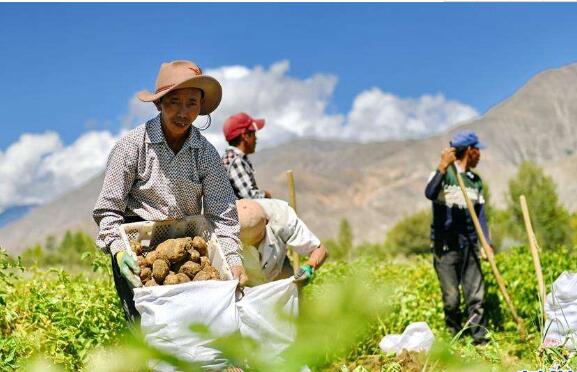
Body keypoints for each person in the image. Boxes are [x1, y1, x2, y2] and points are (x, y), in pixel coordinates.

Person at [93, 60, 248, 322]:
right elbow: (109, 209)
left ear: (200, 107)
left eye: (192, 103)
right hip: (137, 247)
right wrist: (120, 251)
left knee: (194, 328)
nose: (183, 112)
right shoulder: (132, 146)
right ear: (159, 103)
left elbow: (222, 214)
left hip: (186, 248)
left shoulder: (206, 154)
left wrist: (232, 259)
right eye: (174, 101)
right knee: (146, 330)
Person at [424, 130, 490, 345]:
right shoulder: (445, 175)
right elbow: (430, 193)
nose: (480, 154)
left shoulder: (475, 181)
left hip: (470, 244)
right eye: (477, 150)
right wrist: (442, 166)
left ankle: (479, 340)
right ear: (469, 151)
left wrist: (486, 243)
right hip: (446, 247)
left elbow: (480, 215)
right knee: (452, 299)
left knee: (476, 296)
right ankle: (455, 340)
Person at [236, 198, 328, 285]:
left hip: (278, 271)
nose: (252, 244)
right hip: (246, 283)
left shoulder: (282, 218)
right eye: (247, 242)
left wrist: (310, 266)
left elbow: (319, 249)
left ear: (266, 222)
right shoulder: (224, 228)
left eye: (256, 239)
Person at [221, 112, 271, 199]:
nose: (256, 138)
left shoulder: (234, 157)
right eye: (254, 134)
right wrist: (266, 195)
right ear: (245, 136)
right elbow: (250, 196)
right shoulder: (235, 160)